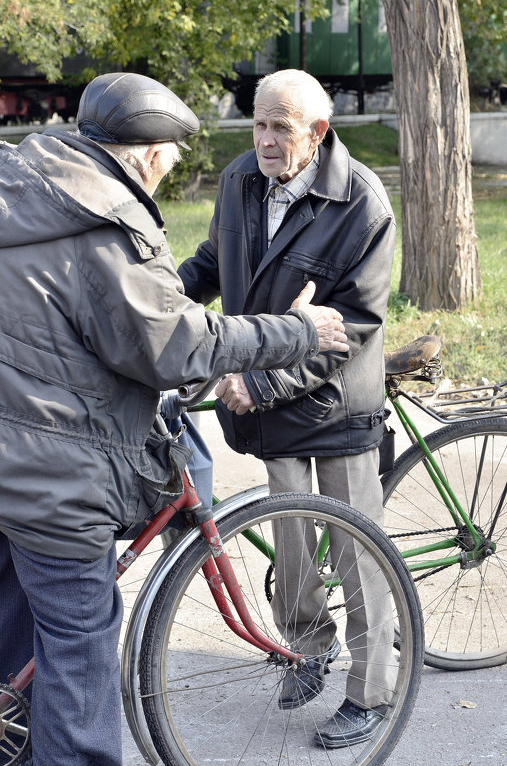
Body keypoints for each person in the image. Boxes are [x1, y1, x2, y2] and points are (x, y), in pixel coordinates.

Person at [0, 71, 348, 766]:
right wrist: (297, 330)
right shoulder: (104, 223)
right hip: (52, 480)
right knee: (80, 647)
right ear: (152, 156)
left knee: (16, 629)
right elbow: (179, 346)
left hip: (12, 457)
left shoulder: (24, 187)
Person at [178, 68, 397, 749]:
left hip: (335, 403)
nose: (265, 141)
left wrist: (262, 382)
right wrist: (162, 305)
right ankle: (309, 645)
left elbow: (353, 324)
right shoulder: (240, 178)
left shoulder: (360, 201)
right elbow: (215, 260)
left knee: (360, 553)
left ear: (318, 133)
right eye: (258, 124)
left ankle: (372, 691)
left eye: (281, 128)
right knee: (292, 548)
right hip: (268, 403)